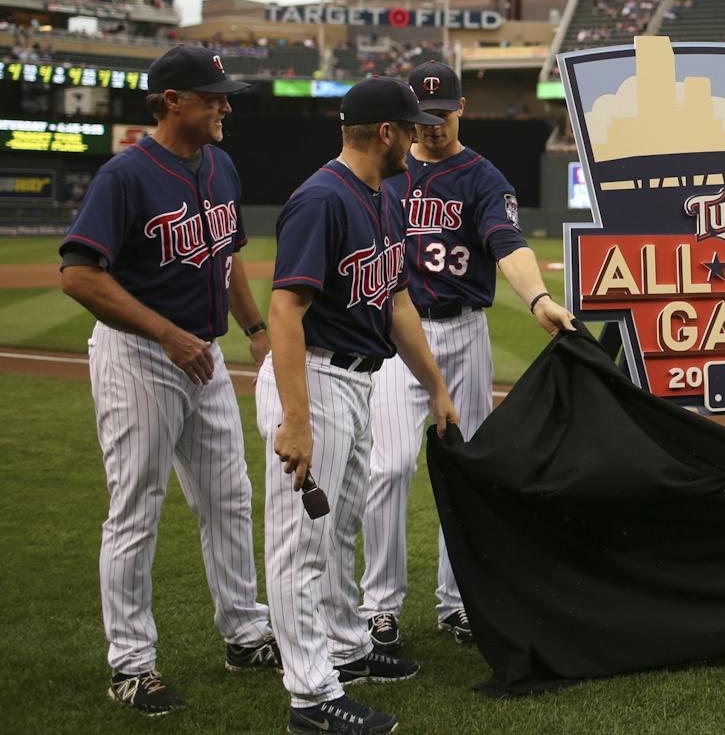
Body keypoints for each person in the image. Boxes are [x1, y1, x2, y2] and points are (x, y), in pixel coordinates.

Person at [58, 45, 279, 716]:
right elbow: (78, 272)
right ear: (173, 99)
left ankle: (244, 633)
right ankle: (130, 663)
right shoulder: (126, 175)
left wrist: (255, 327)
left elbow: (227, 254)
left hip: (204, 355)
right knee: (137, 507)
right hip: (140, 357)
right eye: (212, 95)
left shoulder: (220, 162)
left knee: (230, 498)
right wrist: (164, 331)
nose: (226, 105)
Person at [259, 77, 458, 735]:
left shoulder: (382, 196)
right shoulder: (322, 199)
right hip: (312, 378)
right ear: (384, 134)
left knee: (338, 529)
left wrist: (434, 384)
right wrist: (296, 418)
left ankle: (346, 648)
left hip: (355, 381)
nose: (417, 137)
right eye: (409, 127)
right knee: (300, 543)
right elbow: (286, 307)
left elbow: (396, 301)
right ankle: (312, 695)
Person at [360, 62, 575, 654]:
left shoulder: (482, 177)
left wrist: (537, 298)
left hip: (463, 335)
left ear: (464, 107)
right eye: (422, 117)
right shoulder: (385, 172)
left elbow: (508, 245)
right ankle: (379, 607)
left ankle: (458, 603)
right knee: (390, 467)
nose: (432, 127)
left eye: (444, 114)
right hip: (398, 339)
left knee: (468, 467)